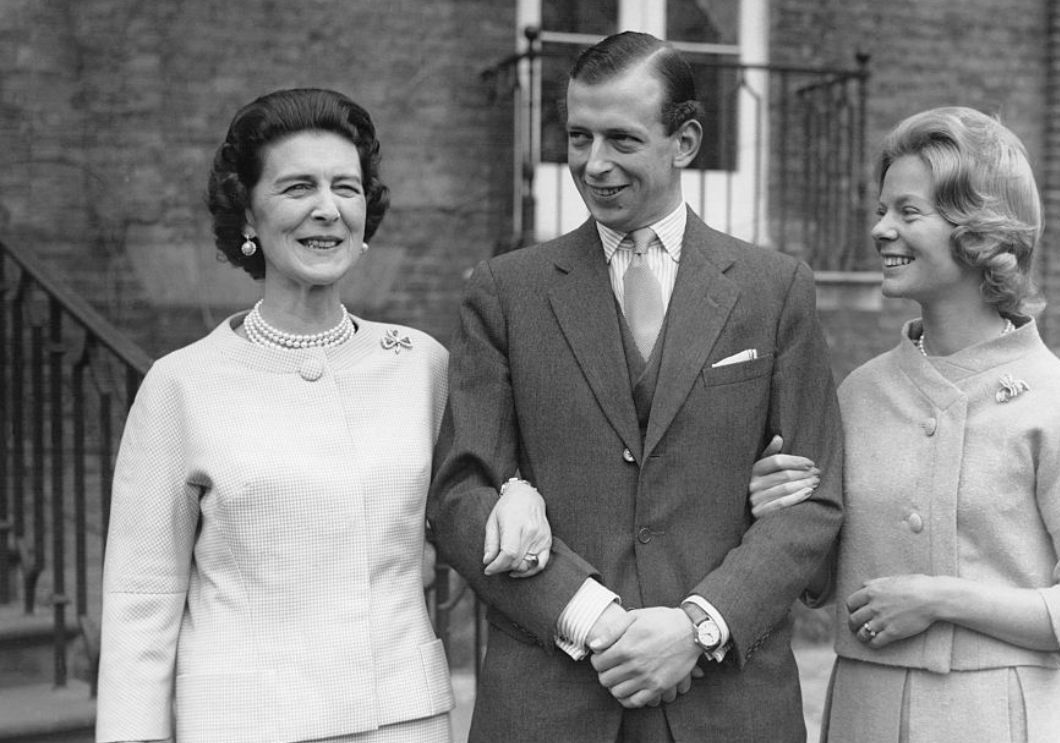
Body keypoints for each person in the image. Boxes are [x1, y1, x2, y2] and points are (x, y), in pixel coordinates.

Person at [95, 88, 552, 743]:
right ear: (247, 215)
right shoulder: (182, 386)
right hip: (239, 724)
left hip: (398, 718)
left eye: (346, 186)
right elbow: (143, 596)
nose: (327, 209)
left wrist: (520, 492)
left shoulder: (419, 365)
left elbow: (488, 479)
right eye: (297, 187)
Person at [428, 31, 844, 743]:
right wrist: (595, 618)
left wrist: (696, 627)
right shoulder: (506, 292)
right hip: (551, 704)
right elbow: (462, 498)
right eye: (578, 137)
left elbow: (815, 501)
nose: (593, 164)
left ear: (683, 141)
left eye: (621, 139)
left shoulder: (775, 292)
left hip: (726, 703)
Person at [751, 106, 1060, 742]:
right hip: (862, 714)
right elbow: (822, 584)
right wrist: (783, 509)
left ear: (978, 231)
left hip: (1003, 718)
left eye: (908, 212)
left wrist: (941, 599)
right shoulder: (860, 392)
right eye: (882, 210)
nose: (880, 229)